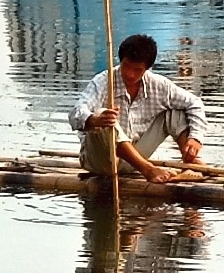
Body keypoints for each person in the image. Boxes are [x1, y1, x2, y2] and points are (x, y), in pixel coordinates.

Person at [68, 34, 207, 183]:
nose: (130, 74)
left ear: (147, 68)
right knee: (104, 116)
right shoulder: (103, 81)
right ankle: (148, 169)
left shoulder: (158, 85)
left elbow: (194, 103)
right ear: (120, 61)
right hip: (101, 160)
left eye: (137, 69)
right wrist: (94, 120)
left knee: (176, 112)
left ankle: (190, 162)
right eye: (126, 66)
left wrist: (195, 138)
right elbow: (76, 113)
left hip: (134, 159)